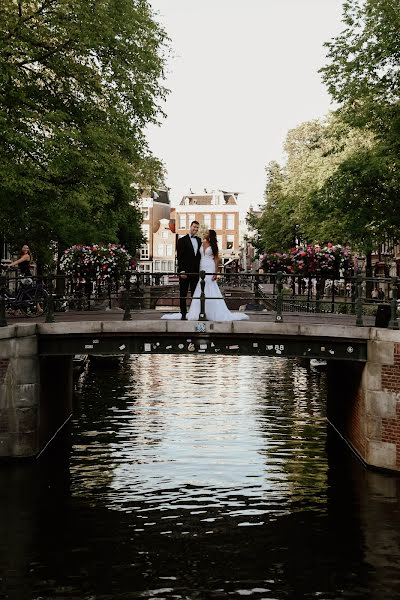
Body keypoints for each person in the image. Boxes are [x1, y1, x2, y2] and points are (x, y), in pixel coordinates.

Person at [162, 229, 249, 321]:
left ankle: (211, 312)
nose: (205, 234)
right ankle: (198, 311)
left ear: (210, 235)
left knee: (210, 287)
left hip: (210, 267)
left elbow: (216, 259)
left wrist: (215, 273)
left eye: (207, 233)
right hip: (201, 267)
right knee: (200, 287)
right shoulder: (201, 242)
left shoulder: (213, 245)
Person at [176, 220, 202, 320]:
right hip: (185, 272)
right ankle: (183, 314)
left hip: (195, 272)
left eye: (197, 228)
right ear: (190, 227)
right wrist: (181, 270)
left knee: (195, 294)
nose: (195, 229)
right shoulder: (182, 240)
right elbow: (180, 256)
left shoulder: (199, 240)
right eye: (194, 227)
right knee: (183, 293)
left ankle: (193, 313)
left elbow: (199, 257)